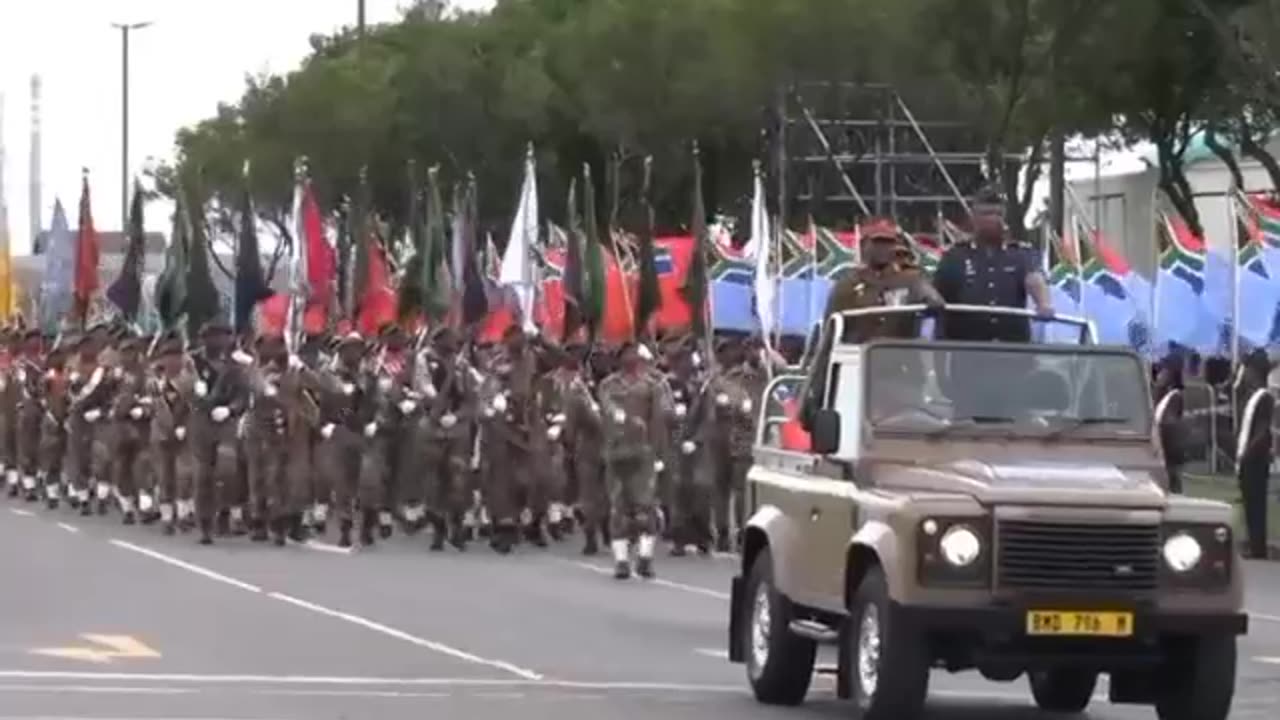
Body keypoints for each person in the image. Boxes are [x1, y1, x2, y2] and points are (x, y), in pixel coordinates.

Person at [801, 217, 942, 430]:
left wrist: (925, 295)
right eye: (877, 242)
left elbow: (933, 300)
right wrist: (816, 392)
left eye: (888, 242)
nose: (884, 248)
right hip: (857, 376)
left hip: (900, 378)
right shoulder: (847, 287)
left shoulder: (909, 280)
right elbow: (829, 341)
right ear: (863, 245)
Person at [933, 186, 1053, 342]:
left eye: (998, 214)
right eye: (987, 214)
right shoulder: (955, 256)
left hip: (1012, 352)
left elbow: (1034, 278)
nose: (993, 219)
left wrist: (1043, 303)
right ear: (973, 217)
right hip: (965, 352)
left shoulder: (1019, 254)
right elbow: (937, 293)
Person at [1236, 349, 1273, 559]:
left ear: (1255, 371)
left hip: (1256, 460)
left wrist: (1248, 454)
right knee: (1249, 504)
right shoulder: (1251, 396)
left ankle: (1258, 546)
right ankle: (1253, 542)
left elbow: (1263, 430)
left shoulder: (1264, 397)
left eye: (1248, 368)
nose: (1245, 373)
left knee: (1257, 504)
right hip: (1248, 459)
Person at [1153, 353, 1187, 494]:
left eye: (1163, 372)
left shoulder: (1175, 397)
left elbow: (1169, 421)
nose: (1159, 375)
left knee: (1172, 485)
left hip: (1169, 449)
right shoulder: (1164, 396)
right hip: (1164, 447)